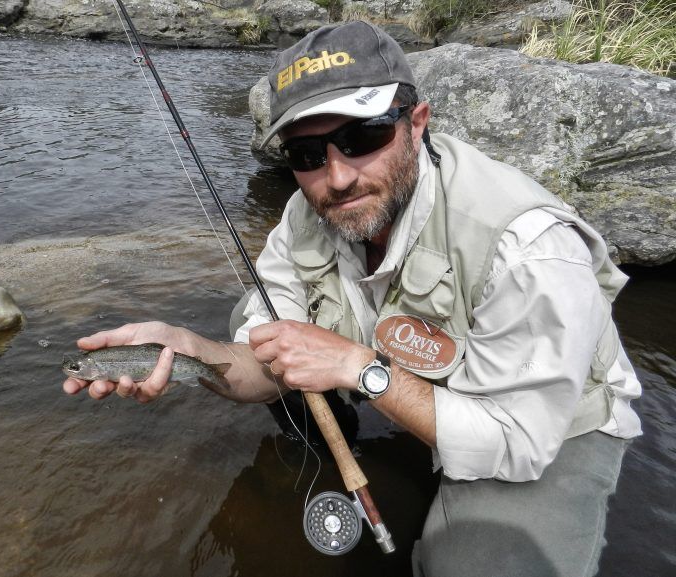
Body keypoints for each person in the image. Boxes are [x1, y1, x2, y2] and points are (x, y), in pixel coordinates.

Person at [62, 21, 642, 576]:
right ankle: (335, 435)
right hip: (412, 377)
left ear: (417, 124)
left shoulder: (527, 248)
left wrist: (357, 367)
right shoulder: (304, 216)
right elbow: (264, 362)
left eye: (361, 137)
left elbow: (516, 441)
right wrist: (192, 353)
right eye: (307, 155)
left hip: (545, 421)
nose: (336, 178)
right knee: (255, 324)